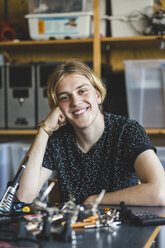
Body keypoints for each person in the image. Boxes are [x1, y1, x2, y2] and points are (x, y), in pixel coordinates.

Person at [17, 60, 165, 206]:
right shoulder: (57, 139)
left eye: (82, 91)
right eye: (64, 97)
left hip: (122, 227)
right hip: (74, 228)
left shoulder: (127, 131)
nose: (75, 102)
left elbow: (160, 192)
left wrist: (95, 200)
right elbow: (23, 196)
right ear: (58, 108)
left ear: (98, 95)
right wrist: (44, 129)